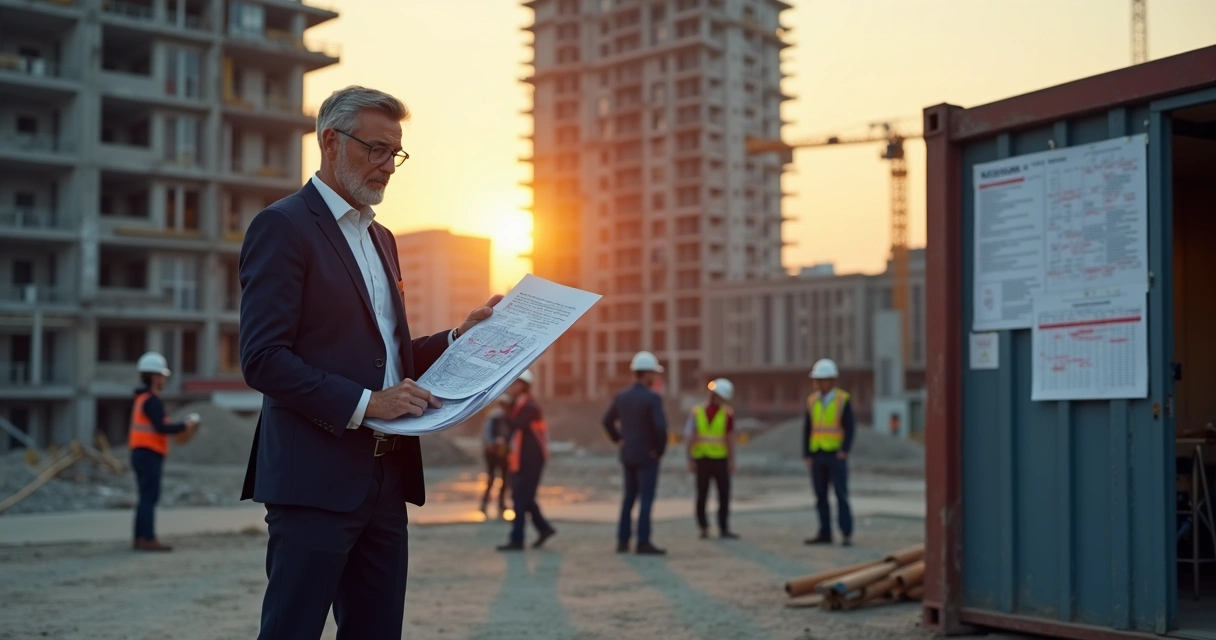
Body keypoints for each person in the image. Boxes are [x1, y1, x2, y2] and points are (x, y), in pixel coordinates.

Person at [238, 85, 501, 640]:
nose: (387, 167)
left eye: (395, 154)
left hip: (385, 477)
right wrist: (366, 403)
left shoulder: (382, 238)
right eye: (375, 150)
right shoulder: (283, 227)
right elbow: (263, 359)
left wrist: (459, 336)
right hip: (312, 480)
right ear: (331, 142)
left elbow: (389, 357)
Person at [129, 351, 199, 552]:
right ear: (154, 376)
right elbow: (161, 427)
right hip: (149, 452)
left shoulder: (141, 398)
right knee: (149, 497)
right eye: (162, 376)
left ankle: (139, 538)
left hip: (141, 452)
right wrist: (184, 426)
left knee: (144, 497)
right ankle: (148, 539)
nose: (164, 380)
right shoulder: (151, 400)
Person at [602, 351, 669, 555]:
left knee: (629, 497)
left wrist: (619, 439)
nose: (656, 377)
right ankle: (643, 541)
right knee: (646, 498)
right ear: (647, 373)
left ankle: (622, 541)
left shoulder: (622, 396)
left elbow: (606, 421)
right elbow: (660, 429)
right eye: (654, 373)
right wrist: (659, 451)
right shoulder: (652, 398)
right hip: (647, 456)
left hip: (628, 454)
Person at [496, 369, 556, 551]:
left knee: (521, 499)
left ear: (523, 386)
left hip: (531, 460)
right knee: (524, 498)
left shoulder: (529, 407)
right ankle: (544, 529)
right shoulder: (520, 405)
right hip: (521, 459)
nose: (510, 388)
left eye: (514, 383)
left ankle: (517, 539)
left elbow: (517, 425)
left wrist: (504, 411)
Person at [803, 358, 856, 547]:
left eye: (822, 380)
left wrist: (844, 450)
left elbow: (850, 427)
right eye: (816, 380)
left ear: (831, 380)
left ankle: (846, 533)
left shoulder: (843, 399)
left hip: (835, 455)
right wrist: (807, 454)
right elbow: (808, 428)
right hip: (817, 454)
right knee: (820, 497)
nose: (818, 383)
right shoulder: (812, 400)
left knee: (841, 495)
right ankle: (824, 533)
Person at [685, 378, 738, 540]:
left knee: (716, 495)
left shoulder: (724, 413)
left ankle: (715, 528)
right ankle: (711, 528)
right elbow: (691, 436)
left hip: (714, 460)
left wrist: (731, 461)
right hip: (707, 459)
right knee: (707, 495)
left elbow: (729, 438)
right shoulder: (699, 412)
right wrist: (690, 459)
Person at [480, 394, 512, 518]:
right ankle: (497, 504)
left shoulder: (495, 416)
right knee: (498, 478)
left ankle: (490, 504)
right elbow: (487, 435)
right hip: (495, 452)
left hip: (499, 452)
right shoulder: (495, 417)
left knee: (495, 478)